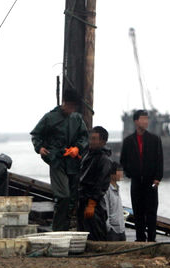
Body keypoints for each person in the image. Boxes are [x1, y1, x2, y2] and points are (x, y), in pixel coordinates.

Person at [30, 93, 89, 231]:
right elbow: (36, 134)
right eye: (69, 106)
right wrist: (39, 148)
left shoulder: (77, 118)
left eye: (74, 107)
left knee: (72, 199)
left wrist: (77, 148)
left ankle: (65, 229)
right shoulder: (50, 117)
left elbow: (84, 136)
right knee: (63, 196)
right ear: (63, 103)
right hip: (56, 161)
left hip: (73, 162)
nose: (71, 109)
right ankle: (57, 229)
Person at [120, 110, 163, 242]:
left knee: (151, 211)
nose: (146, 122)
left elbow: (159, 160)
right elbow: (123, 161)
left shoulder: (154, 140)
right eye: (143, 119)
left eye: (147, 119)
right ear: (136, 121)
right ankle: (140, 238)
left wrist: (157, 178)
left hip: (151, 181)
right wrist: (130, 173)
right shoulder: (128, 141)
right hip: (136, 181)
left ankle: (151, 239)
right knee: (138, 211)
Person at [77, 126, 112, 241]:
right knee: (82, 233)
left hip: (94, 204)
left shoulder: (104, 160)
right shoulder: (88, 154)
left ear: (102, 141)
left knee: (95, 234)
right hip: (82, 199)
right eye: (90, 138)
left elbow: (101, 185)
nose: (91, 141)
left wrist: (91, 205)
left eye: (94, 139)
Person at [104, 162, 126, 241]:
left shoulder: (117, 188)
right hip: (112, 231)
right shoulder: (106, 190)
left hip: (121, 230)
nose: (121, 173)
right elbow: (106, 210)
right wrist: (109, 229)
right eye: (119, 171)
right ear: (112, 174)